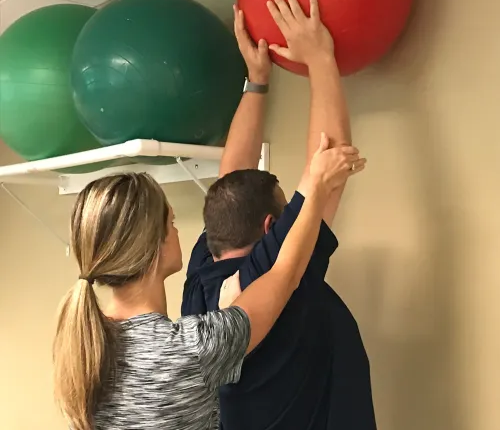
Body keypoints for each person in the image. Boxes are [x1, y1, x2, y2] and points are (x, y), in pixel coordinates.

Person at [52, 136, 364, 429]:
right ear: (154, 244)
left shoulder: (87, 344)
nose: (178, 231)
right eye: (171, 222)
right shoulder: (193, 350)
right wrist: (317, 184)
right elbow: (286, 272)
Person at [181, 0, 377, 429]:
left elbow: (231, 181)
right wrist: (321, 59)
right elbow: (327, 170)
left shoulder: (203, 279)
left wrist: (256, 80)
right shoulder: (269, 276)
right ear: (271, 227)